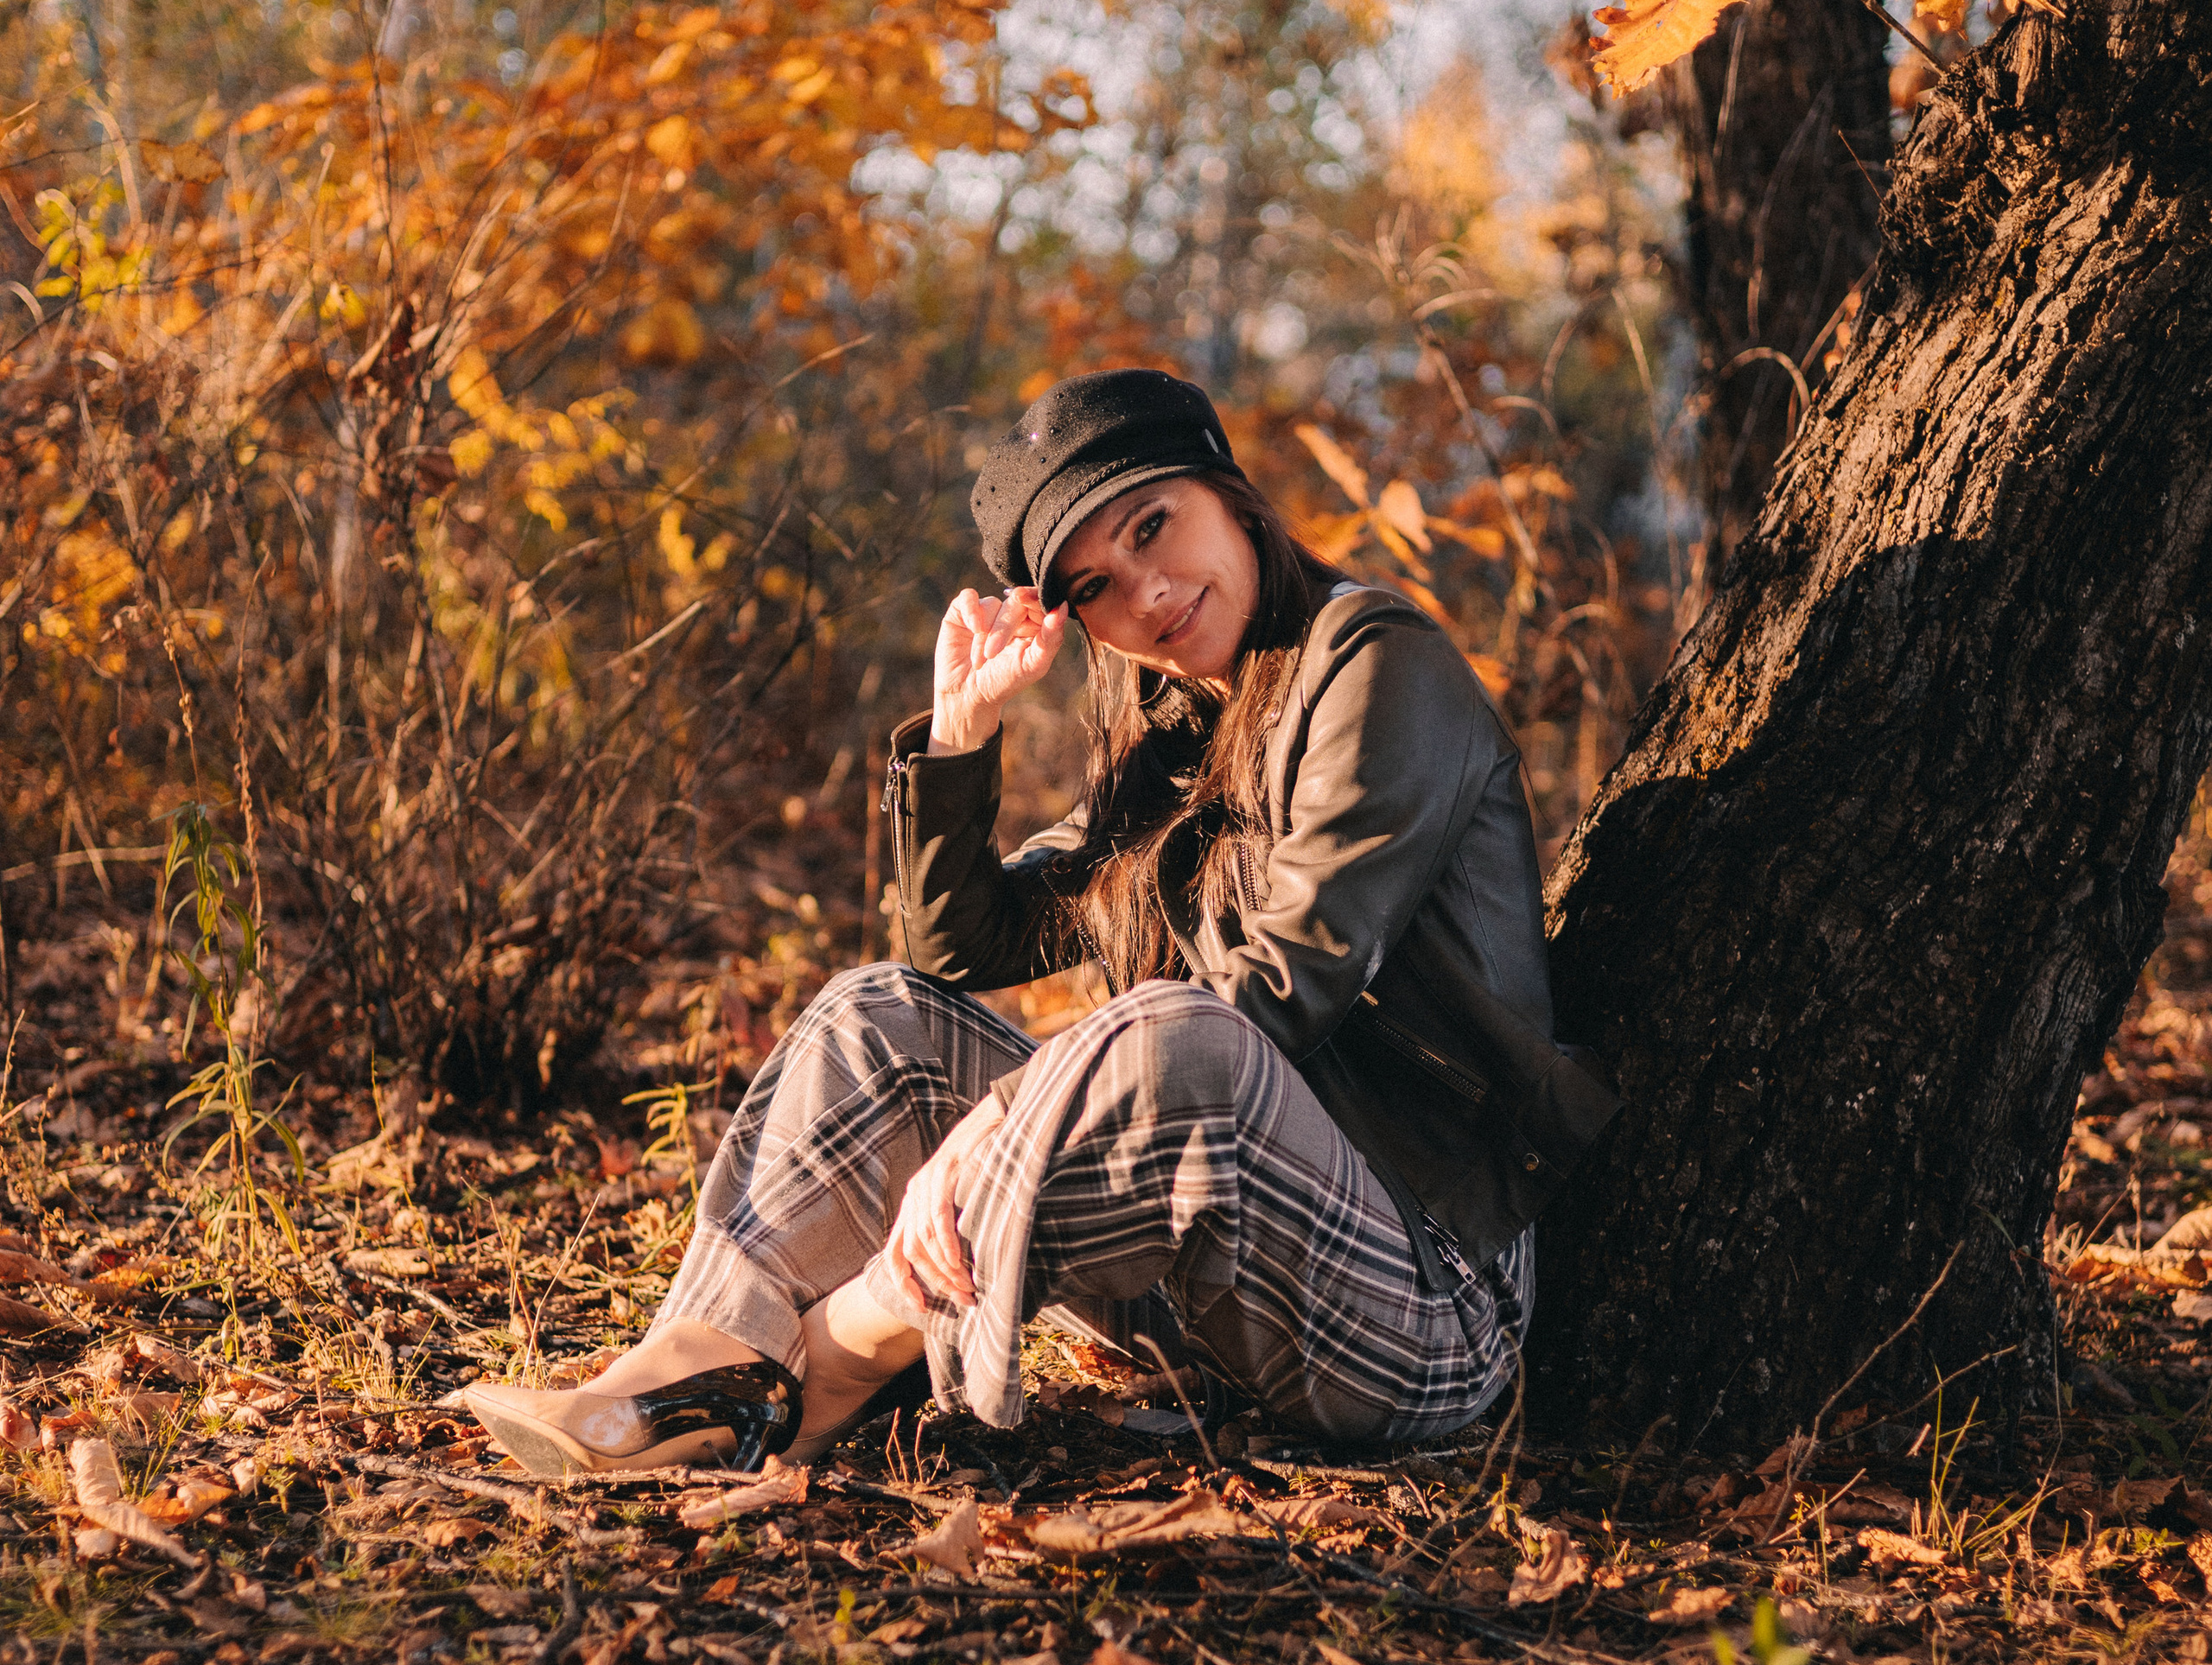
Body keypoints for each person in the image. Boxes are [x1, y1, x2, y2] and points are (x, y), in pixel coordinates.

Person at [460, 368, 1616, 1480]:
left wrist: (997, 1127)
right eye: (1095, 585)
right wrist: (962, 732)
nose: (1145, 593)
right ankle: (687, 1372)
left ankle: (825, 1368)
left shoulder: (1372, 662)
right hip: (1227, 1303)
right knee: (879, 1017)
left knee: (1182, 1038)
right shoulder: (1181, 733)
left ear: (1227, 491)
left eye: (1152, 526)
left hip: (1426, 1305)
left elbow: (1279, 992)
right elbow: (963, 951)